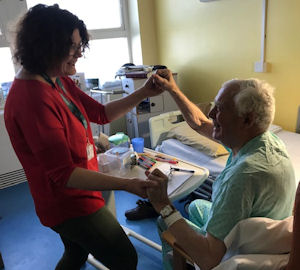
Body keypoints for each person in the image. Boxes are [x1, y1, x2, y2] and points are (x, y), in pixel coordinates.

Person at [4, 4, 162, 270]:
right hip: (68, 204)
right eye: (73, 46)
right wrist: (125, 185)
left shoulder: (56, 79)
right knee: (124, 257)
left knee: (76, 253)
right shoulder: (32, 99)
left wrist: (143, 92)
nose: (80, 53)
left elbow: (100, 113)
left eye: (81, 45)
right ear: (46, 46)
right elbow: (64, 175)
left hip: (79, 193)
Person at [146, 69, 296, 270]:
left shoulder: (243, 176)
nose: (211, 113)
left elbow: (209, 259)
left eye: (220, 108)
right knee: (195, 205)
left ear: (247, 119)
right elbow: (199, 123)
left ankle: (175, 262)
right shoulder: (266, 140)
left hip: (238, 251)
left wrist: (163, 204)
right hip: (264, 234)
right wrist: (173, 89)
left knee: (163, 221)